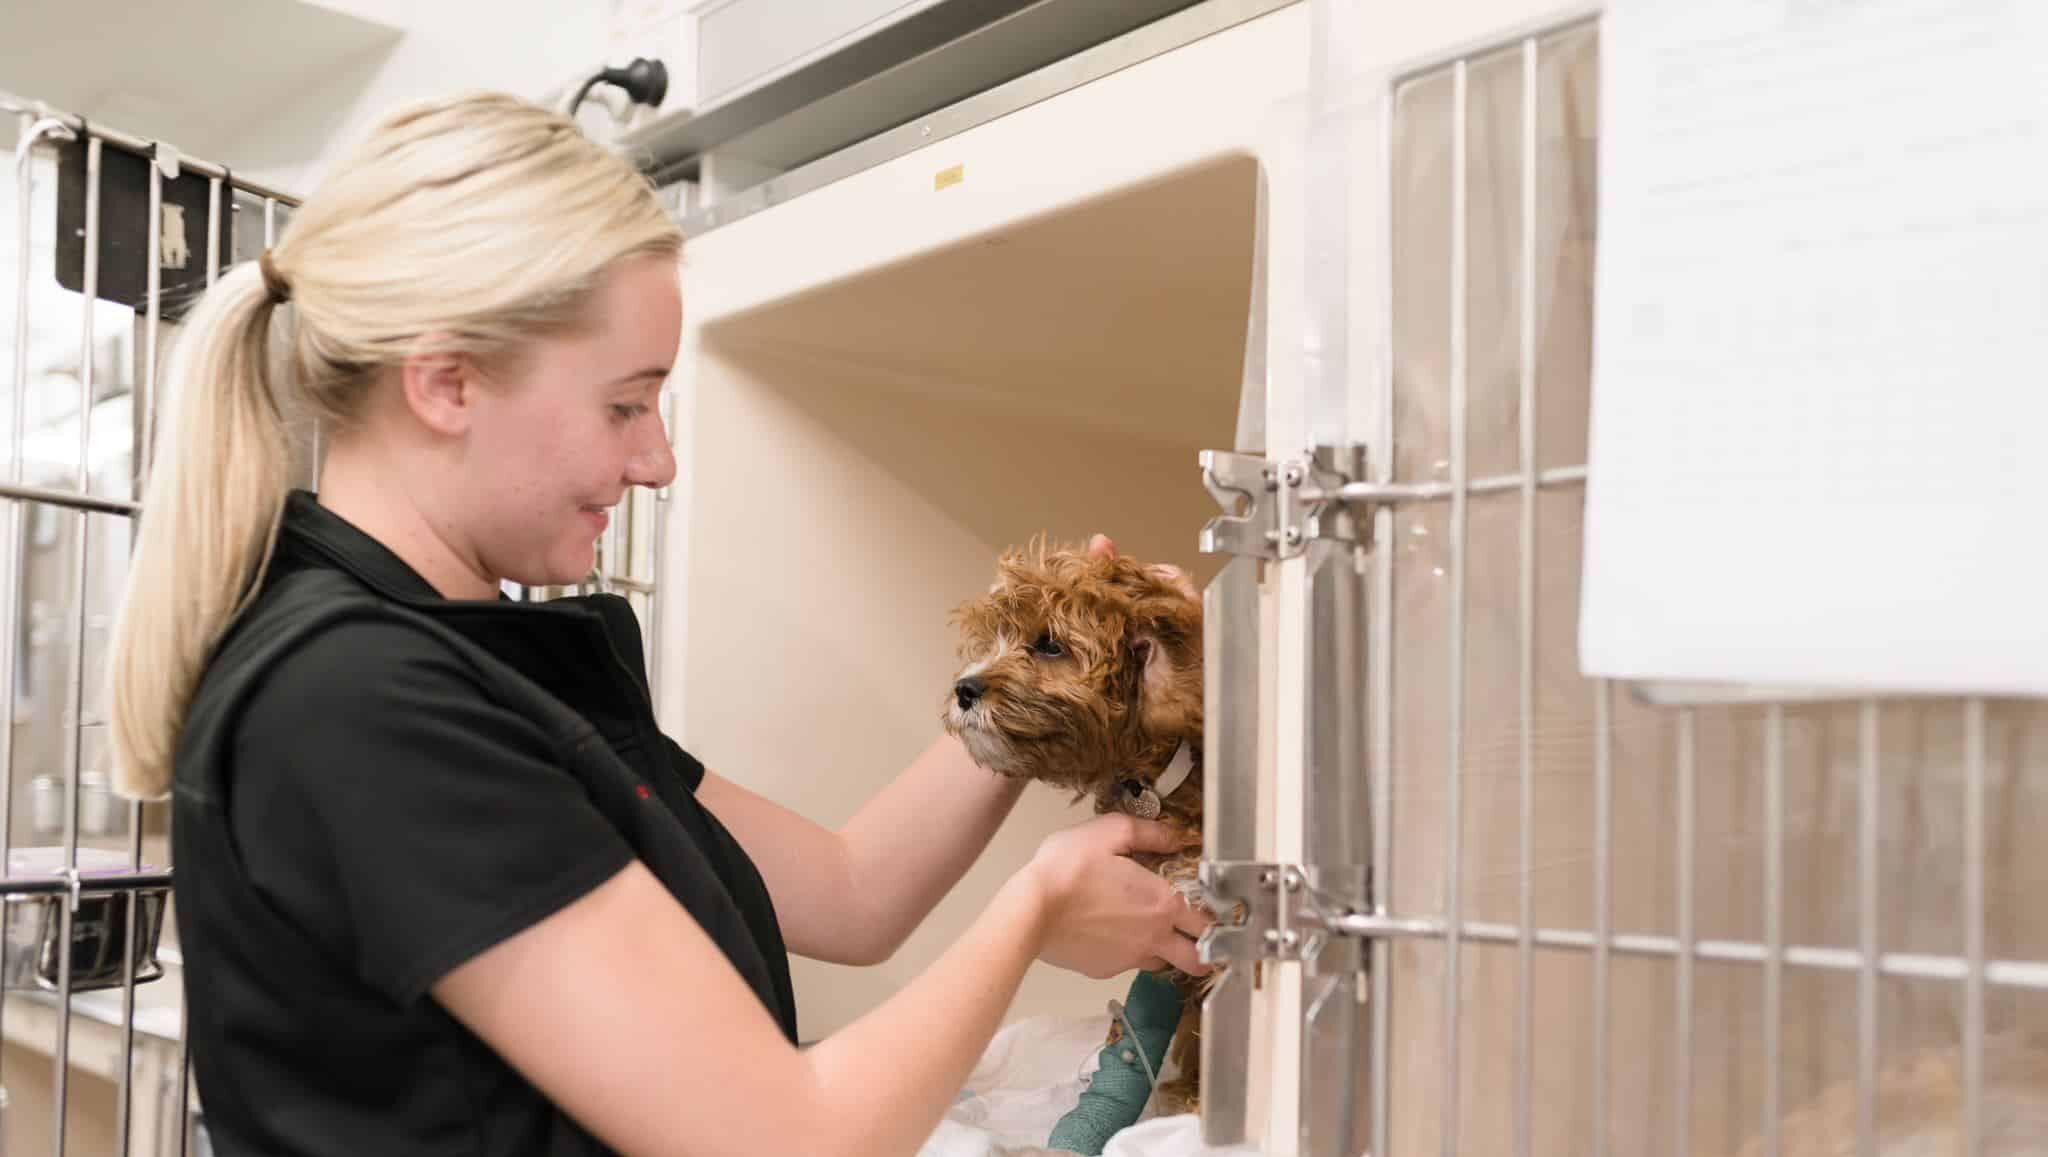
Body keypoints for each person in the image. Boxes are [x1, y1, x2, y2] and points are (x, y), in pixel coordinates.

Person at [106, 92, 1212, 1157]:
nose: (657, 459)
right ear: (446, 384)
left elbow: (848, 890)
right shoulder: (360, 701)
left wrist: (1063, 684)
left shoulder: (478, 663)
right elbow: (791, 1134)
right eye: (624, 404)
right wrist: (1029, 915)